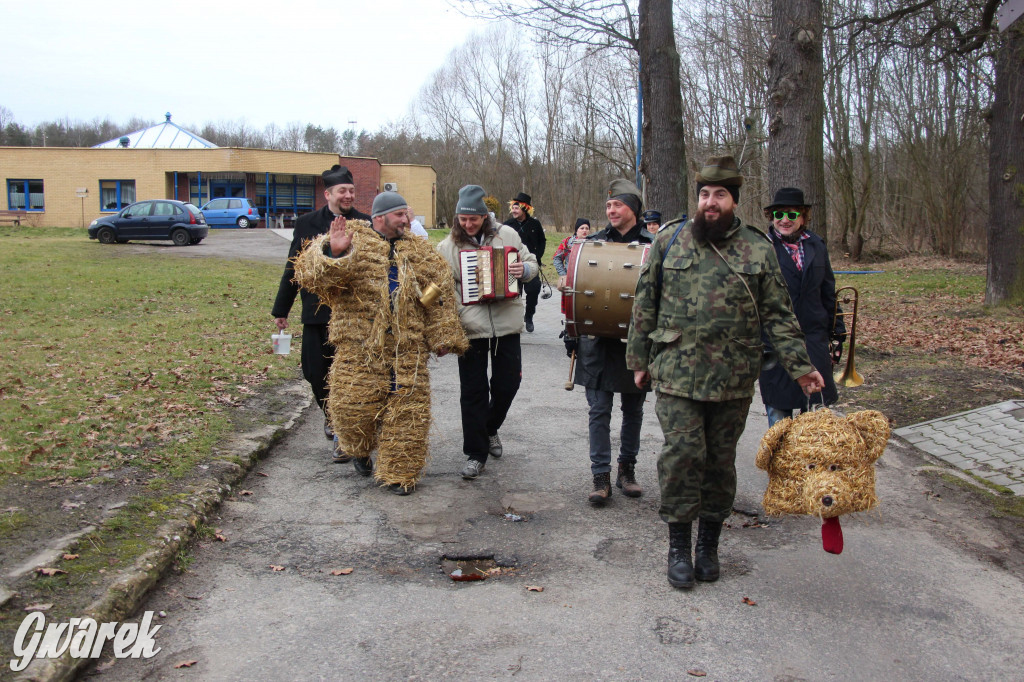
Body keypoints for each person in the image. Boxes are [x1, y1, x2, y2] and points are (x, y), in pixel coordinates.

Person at [626, 155, 824, 589]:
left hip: (733, 377)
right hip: (677, 371)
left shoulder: (758, 248)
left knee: (719, 462)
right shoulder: (670, 240)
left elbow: (779, 314)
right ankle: (678, 546)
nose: (709, 203)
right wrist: (639, 360)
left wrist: (801, 368)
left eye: (719, 195)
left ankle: (708, 545)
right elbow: (645, 302)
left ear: (734, 200)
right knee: (681, 457)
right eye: (703, 195)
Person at [292, 192, 468, 494]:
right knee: (353, 412)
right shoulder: (352, 240)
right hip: (360, 349)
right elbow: (316, 279)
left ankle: (401, 472)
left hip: (406, 349)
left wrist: (442, 335)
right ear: (379, 217)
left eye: (406, 214)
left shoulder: (420, 252)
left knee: (408, 412)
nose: (406, 219)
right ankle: (359, 449)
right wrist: (335, 253)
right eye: (399, 214)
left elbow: (438, 293)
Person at [438, 185, 539, 480]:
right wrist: (449, 325)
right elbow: (444, 291)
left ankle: (490, 427)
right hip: (470, 328)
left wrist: (525, 271)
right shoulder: (447, 248)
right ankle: (476, 453)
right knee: (473, 392)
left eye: (473, 219)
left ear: (484, 216)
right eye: (462, 219)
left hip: (507, 325)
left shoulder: (507, 235)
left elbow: (531, 262)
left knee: (508, 385)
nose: (467, 224)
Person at [272, 165, 371, 460]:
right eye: (343, 191)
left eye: (352, 191)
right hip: (316, 312)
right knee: (315, 372)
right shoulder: (306, 223)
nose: (349, 195)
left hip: (353, 314)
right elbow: (293, 266)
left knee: (351, 375)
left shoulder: (364, 223)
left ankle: (343, 432)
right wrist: (281, 308)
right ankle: (332, 417)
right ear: (328, 194)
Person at [567, 179, 654, 506]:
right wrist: (571, 333)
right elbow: (576, 289)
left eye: (617, 205)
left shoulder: (653, 245)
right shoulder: (593, 244)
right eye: (608, 206)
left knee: (634, 409)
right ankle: (600, 476)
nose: (611, 211)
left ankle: (626, 471)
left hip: (636, 344)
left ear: (633, 208)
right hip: (598, 342)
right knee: (599, 410)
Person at [759, 187, 846, 427]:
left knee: (816, 422)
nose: (784, 220)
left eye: (791, 214)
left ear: (803, 217)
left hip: (814, 340)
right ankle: (778, 464)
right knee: (779, 421)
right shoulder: (761, 248)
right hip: (775, 344)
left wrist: (837, 329)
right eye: (778, 215)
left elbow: (828, 289)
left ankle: (809, 465)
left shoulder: (817, 245)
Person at [503, 192, 546, 332]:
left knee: (533, 290)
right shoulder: (507, 225)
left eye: (517, 208)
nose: (513, 211)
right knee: (514, 294)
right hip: (512, 267)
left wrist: (536, 258)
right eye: (513, 208)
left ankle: (529, 317)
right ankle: (515, 320)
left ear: (525, 209)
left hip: (530, 265)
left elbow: (542, 242)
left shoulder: (535, 224)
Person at [553, 218, 591, 291]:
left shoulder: (593, 244)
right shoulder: (566, 242)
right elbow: (556, 258)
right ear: (576, 230)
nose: (584, 230)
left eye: (587, 228)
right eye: (582, 228)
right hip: (570, 278)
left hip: (587, 280)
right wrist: (563, 274)